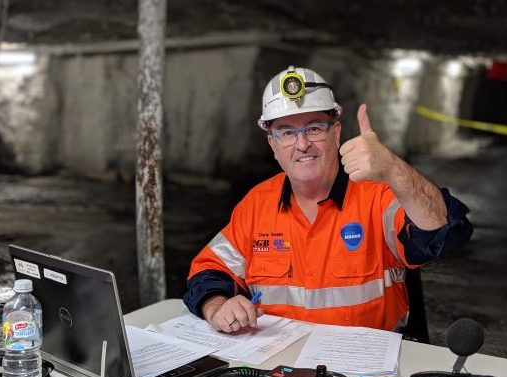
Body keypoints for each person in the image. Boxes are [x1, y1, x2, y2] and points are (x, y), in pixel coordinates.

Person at [184, 66, 472, 333]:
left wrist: (395, 170)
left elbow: (444, 233)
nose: (302, 144)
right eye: (286, 132)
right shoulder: (256, 205)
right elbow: (208, 271)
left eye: (313, 128)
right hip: (280, 366)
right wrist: (218, 306)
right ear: (272, 144)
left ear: (336, 133)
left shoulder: (378, 195)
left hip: (365, 371)